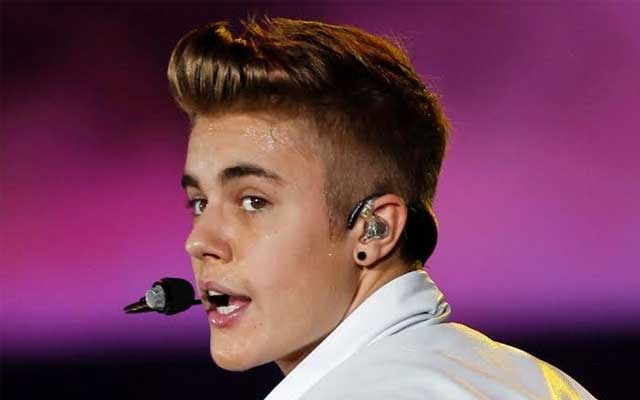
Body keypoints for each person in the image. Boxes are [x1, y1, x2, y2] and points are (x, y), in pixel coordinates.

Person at [169, 17, 597, 399]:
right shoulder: (538, 383)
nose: (199, 242)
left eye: (253, 201)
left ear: (374, 230)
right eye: (199, 203)